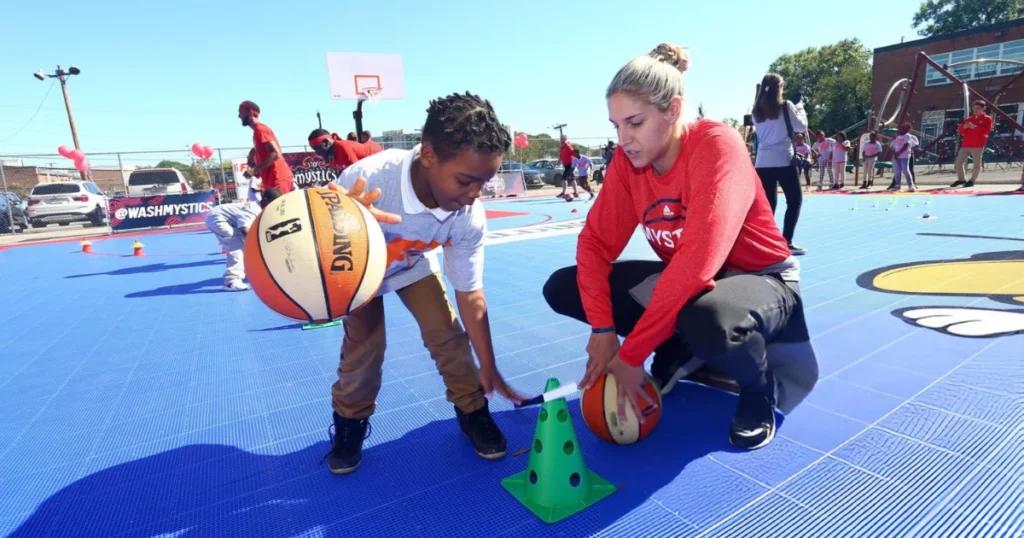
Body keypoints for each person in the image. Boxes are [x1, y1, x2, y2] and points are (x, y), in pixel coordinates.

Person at [542, 43, 819, 451]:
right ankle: (681, 347)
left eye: (634, 123)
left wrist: (632, 353)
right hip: (695, 282)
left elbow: (697, 262)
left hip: (761, 277)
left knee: (712, 317)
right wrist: (602, 330)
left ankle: (758, 390)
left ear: (672, 110)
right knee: (563, 287)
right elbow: (595, 243)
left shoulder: (716, 145)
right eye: (616, 125)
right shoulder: (628, 161)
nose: (624, 139)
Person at [324, 92, 527, 474]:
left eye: (484, 183)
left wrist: (489, 364)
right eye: (467, 180)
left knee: (447, 334)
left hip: (409, 264)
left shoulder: (467, 216)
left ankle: (473, 410)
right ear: (429, 156)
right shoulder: (367, 181)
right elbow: (307, 247)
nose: (474, 195)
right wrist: (340, 222)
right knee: (364, 349)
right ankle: (349, 422)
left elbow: (470, 295)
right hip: (358, 271)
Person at [752, 73, 808, 254]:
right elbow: (801, 127)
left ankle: (766, 241)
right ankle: (787, 241)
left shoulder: (756, 110)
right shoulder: (786, 106)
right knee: (794, 200)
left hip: (762, 162)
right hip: (783, 159)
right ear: (780, 88)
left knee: (768, 204)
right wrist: (800, 108)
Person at [238, 101, 295, 207]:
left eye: (241, 113)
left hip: (278, 178)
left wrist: (254, 170)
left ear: (250, 112)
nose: (239, 116)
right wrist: (256, 168)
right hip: (272, 178)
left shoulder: (260, 129)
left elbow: (275, 153)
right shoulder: (256, 132)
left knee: (282, 212)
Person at [204, 198, 261, 291]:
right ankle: (231, 281)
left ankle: (245, 271)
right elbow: (245, 230)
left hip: (222, 216)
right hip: (217, 218)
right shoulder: (255, 210)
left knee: (244, 245)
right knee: (236, 246)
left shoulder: (257, 205)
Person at [952, 100, 993, 187]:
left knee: (976, 164)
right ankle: (961, 179)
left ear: (983, 109)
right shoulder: (969, 119)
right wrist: (965, 126)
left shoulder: (987, 118)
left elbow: (987, 130)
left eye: (978, 108)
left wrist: (974, 127)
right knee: (958, 163)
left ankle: (972, 180)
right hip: (966, 144)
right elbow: (960, 131)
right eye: (974, 108)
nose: (975, 110)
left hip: (978, 144)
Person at [308, 129, 380, 173]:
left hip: (377, 155)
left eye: (317, 148)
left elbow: (358, 173)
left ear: (327, 142)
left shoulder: (343, 148)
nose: (316, 153)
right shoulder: (331, 155)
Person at [889, 122, 917, 192]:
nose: (901, 129)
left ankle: (911, 185)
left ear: (907, 129)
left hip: (904, 156)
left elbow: (905, 146)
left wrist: (898, 153)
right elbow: (894, 146)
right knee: (897, 171)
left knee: (905, 170)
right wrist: (895, 153)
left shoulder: (907, 136)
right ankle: (897, 185)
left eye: (903, 128)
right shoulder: (898, 137)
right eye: (901, 127)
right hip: (897, 157)